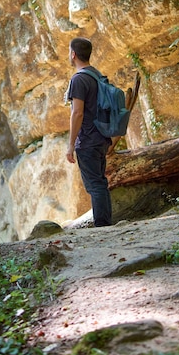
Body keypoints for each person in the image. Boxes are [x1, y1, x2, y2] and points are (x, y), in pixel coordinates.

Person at [65, 37, 112, 227]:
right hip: (101, 136)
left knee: (95, 185)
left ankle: (103, 226)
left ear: (73, 54)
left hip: (88, 140)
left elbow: (77, 113)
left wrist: (70, 145)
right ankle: (105, 223)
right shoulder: (96, 75)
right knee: (100, 182)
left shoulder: (78, 79)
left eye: (69, 52)